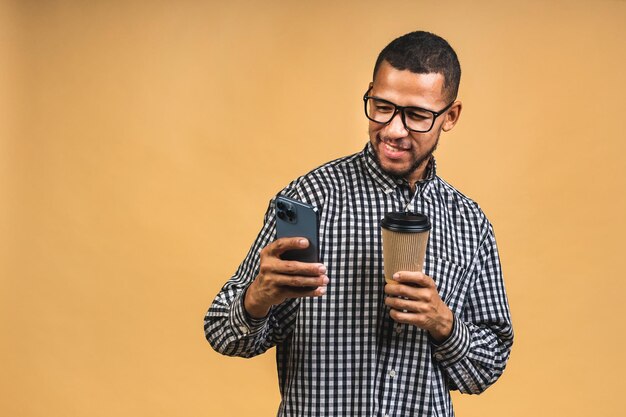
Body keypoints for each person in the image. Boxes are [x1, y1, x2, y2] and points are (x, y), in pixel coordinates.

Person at [205, 30, 513, 417]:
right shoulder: (308, 199)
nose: (393, 130)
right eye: (382, 106)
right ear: (370, 92)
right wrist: (258, 298)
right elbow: (222, 334)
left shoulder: (469, 223)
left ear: (450, 116)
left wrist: (443, 323)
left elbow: (486, 368)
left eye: (417, 115)